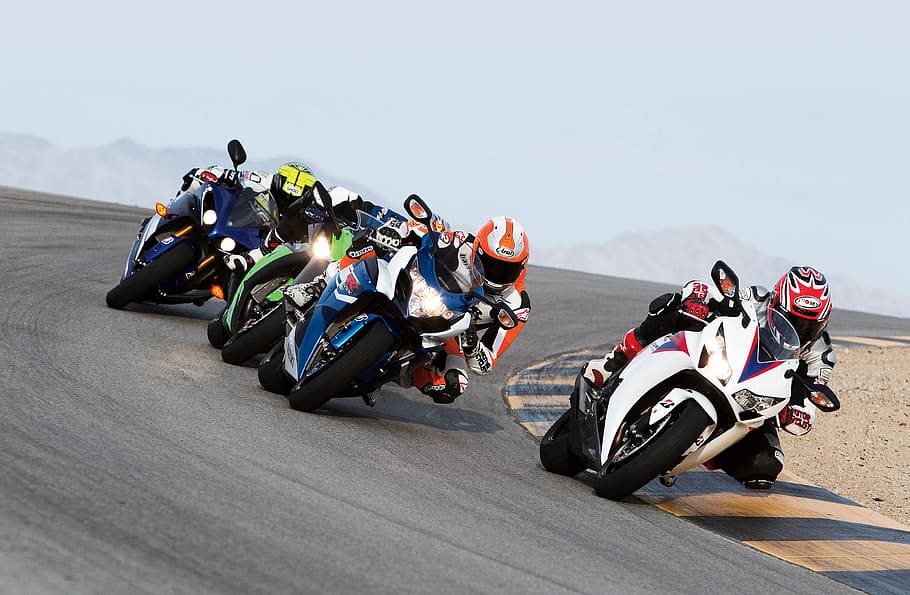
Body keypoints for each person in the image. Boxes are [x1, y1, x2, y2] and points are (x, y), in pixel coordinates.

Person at [583, 265, 836, 489]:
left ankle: (678, 452)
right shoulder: (756, 297)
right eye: (791, 319)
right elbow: (708, 291)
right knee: (676, 309)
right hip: (723, 357)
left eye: (808, 326)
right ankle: (610, 363)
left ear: (822, 324)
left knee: (765, 465)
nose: (799, 330)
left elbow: (810, 400)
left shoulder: (821, 355)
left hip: (756, 394)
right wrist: (698, 299)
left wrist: (791, 413)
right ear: (775, 303)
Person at [406, 217, 532, 403]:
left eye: (507, 269)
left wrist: (472, 346)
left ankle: (403, 373)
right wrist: (404, 237)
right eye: (490, 264)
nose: (496, 274)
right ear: (477, 250)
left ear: (522, 265)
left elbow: (486, 363)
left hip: (449, 331)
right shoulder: (460, 241)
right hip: (420, 295)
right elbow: (422, 237)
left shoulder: (518, 304)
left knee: (455, 383)